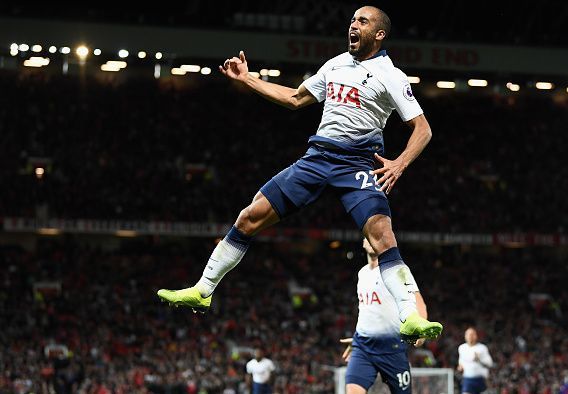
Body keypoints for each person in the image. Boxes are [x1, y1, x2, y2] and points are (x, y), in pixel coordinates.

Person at [157, 5, 442, 342]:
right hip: (318, 158)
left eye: (362, 21)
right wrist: (248, 78)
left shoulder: (390, 75)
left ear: (379, 34)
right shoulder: (335, 65)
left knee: (383, 236)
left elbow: (422, 129)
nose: (353, 24)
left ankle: (408, 315)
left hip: (358, 163)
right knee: (250, 216)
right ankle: (203, 289)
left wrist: (400, 162)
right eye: (351, 19)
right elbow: (294, 98)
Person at [340, 239, 429, 394]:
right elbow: (367, 311)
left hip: (392, 349)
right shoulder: (362, 273)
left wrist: (421, 331)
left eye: (376, 235)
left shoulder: (396, 269)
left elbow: (418, 302)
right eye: (368, 235)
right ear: (363, 242)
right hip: (363, 347)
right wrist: (358, 337)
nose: (372, 238)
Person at [457, 327, 493, 394]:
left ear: (476, 336)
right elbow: (461, 361)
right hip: (467, 380)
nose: (470, 336)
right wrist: (460, 367)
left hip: (481, 379)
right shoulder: (462, 348)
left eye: (472, 334)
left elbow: (490, 363)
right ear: (465, 336)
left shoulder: (482, 348)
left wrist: (479, 359)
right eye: (468, 334)